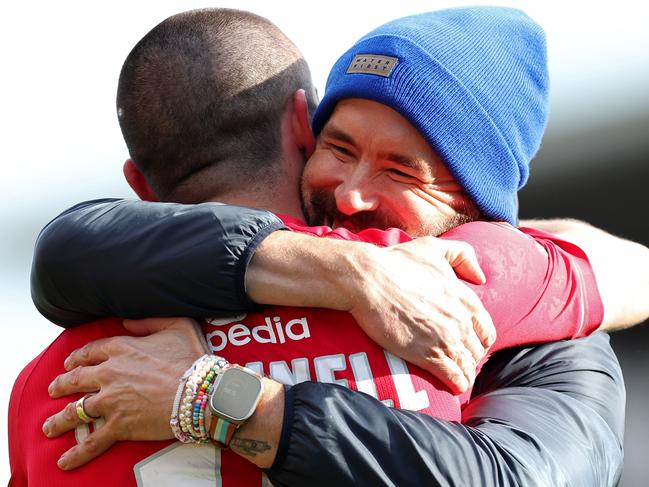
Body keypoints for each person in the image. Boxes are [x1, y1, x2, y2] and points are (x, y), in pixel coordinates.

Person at [11, 6, 645, 486]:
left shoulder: (60, 371)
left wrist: (211, 397)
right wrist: (353, 273)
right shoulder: (519, 294)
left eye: (402, 170)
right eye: (339, 147)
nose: (350, 196)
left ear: (476, 209)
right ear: (303, 127)